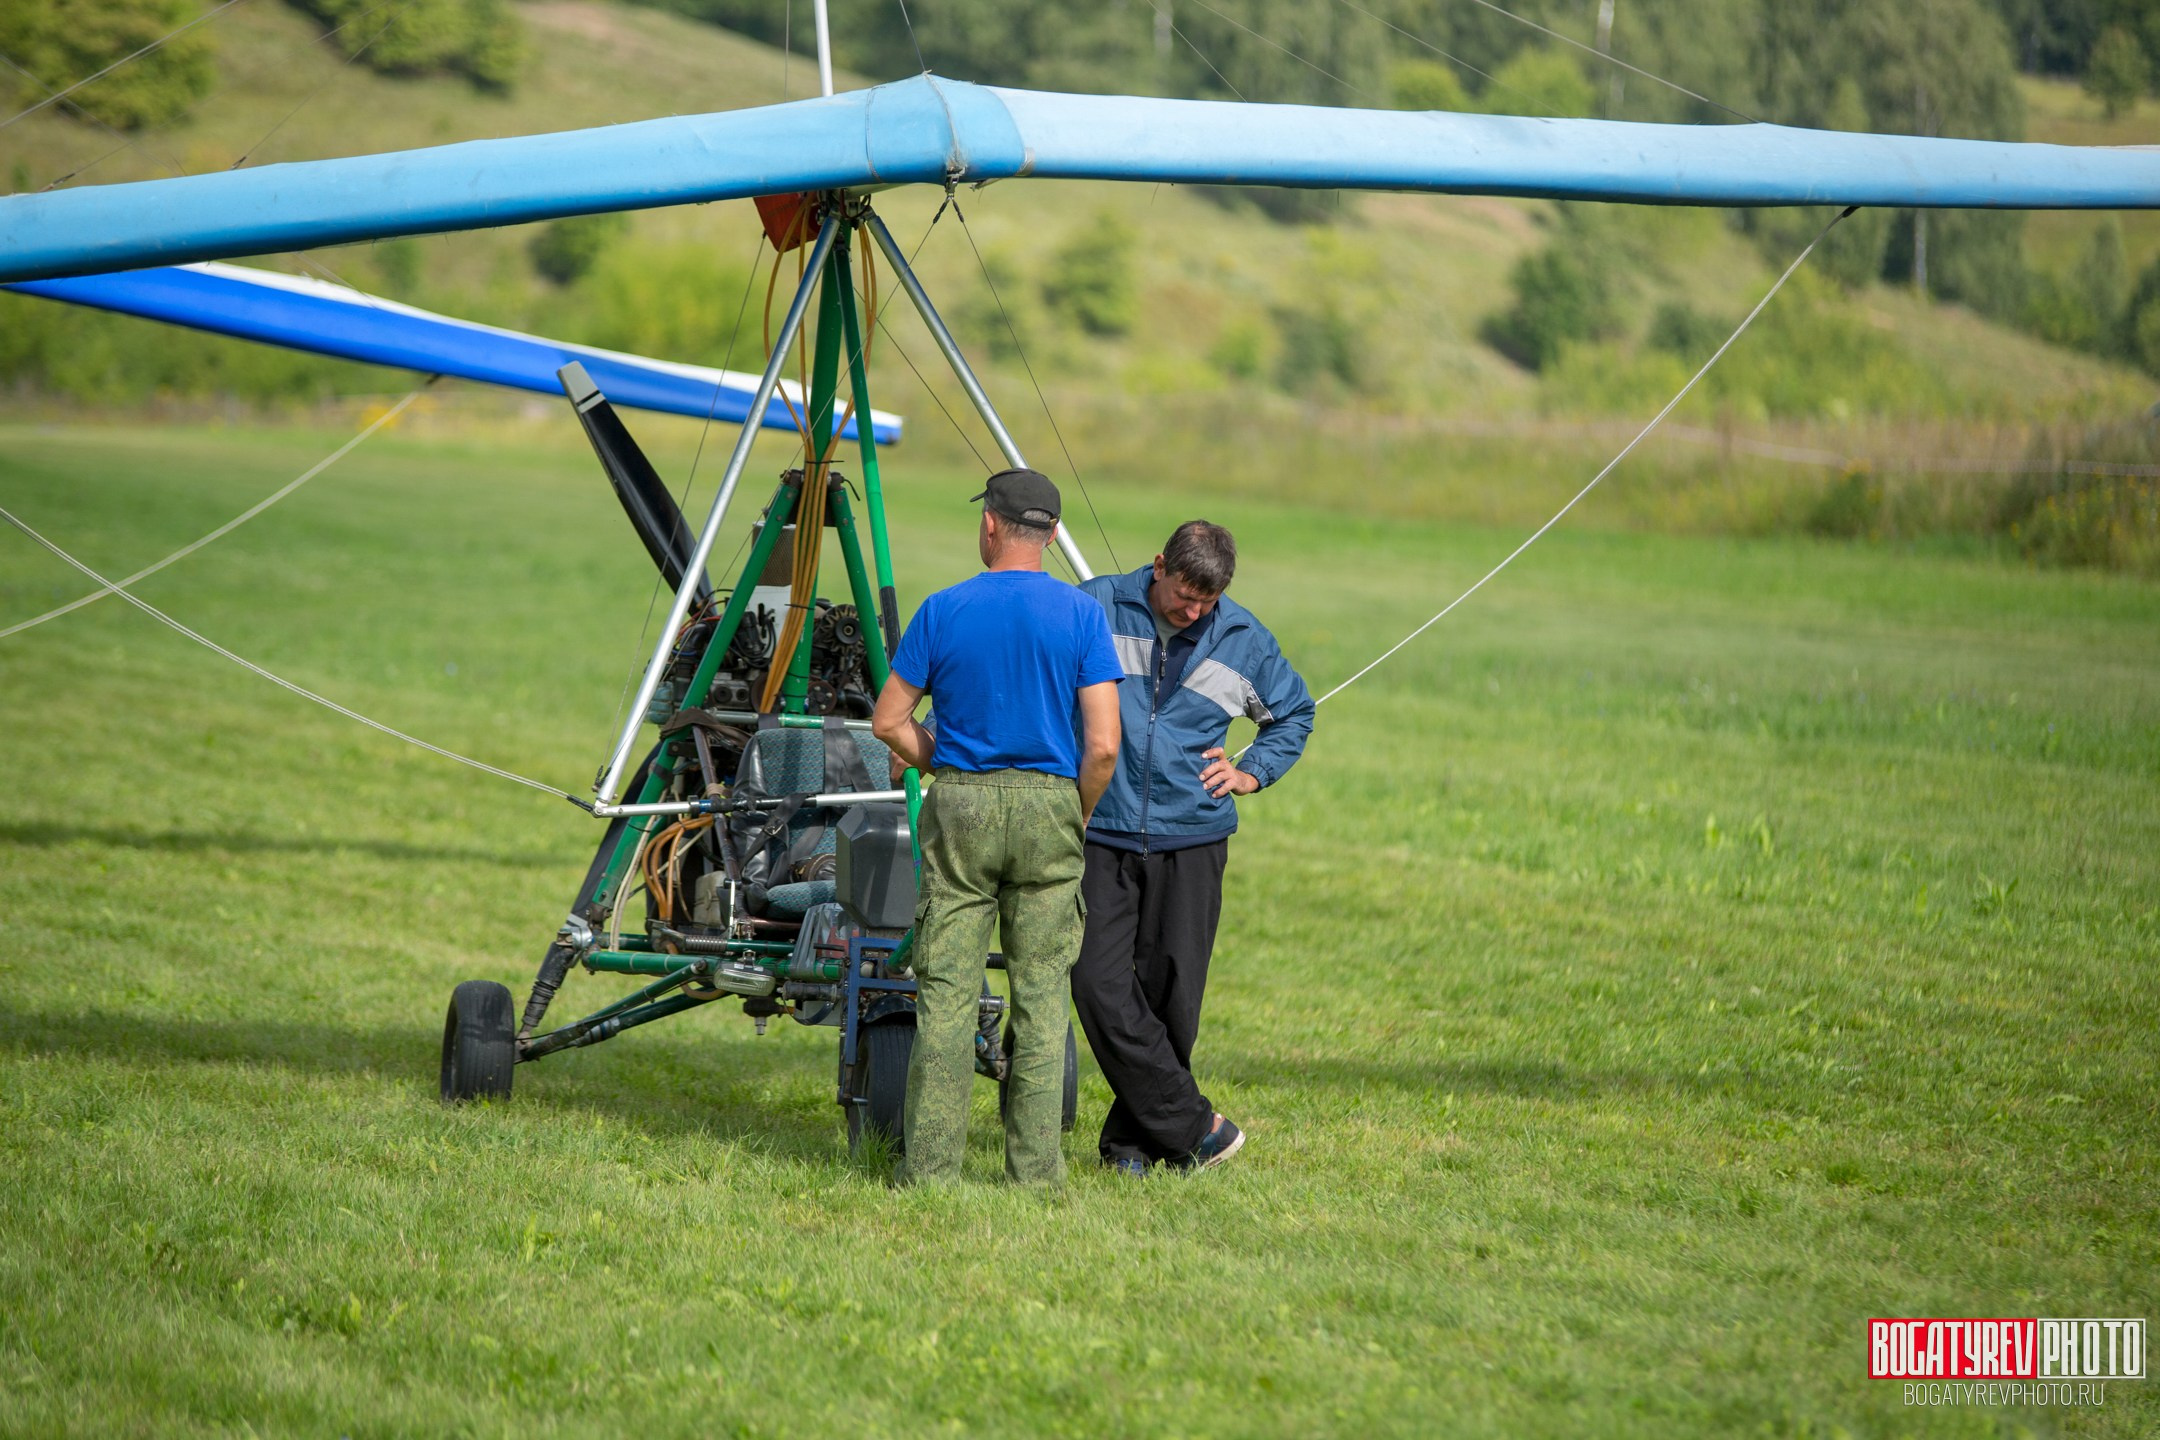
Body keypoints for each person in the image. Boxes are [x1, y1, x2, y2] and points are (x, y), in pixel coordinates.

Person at [871, 468, 1123, 1187]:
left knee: (947, 995)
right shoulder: (1082, 616)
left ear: (989, 525)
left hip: (962, 806)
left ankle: (929, 1172)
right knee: (1041, 996)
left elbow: (888, 721)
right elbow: (1104, 746)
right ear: (1051, 534)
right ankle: (1035, 1175)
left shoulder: (943, 609)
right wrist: (1076, 812)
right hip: (1051, 807)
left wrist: (940, 758)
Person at [1073, 521, 1314, 1174]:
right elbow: (1032, 671)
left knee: (1172, 997)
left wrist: (1251, 771)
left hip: (1194, 838)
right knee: (1095, 982)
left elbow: (1293, 713)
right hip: (1099, 830)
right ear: (1159, 566)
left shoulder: (1243, 637)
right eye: (1184, 597)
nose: (1194, 612)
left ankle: (1132, 1147)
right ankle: (1194, 1126)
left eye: (1207, 602)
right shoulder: (1094, 606)